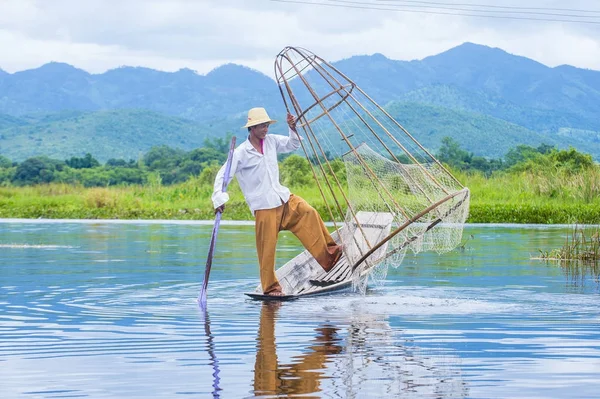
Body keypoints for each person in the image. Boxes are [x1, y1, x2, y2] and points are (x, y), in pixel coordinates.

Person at [212, 107, 342, 297]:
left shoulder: (271, 141)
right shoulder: (241, 153)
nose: (266, 129)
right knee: (267, 251)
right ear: (252, 128)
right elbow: (223, 175)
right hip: (263, 206)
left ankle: (330, 255)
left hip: (283, 199)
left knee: (308, 212)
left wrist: (293, 128)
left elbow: (292, 145)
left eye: (267, 125)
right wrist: (219, 198)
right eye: (262, 126)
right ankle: (271, 289)